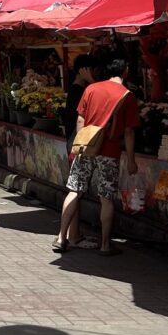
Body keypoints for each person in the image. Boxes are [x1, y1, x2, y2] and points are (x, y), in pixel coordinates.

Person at [55, 58, 140, 256]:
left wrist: (80, 144)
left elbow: (80, 118)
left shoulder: (91, 89)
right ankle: (105, 244)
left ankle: (61, 237)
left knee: (74, 190)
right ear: (126, 71)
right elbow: (128, 131)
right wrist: (131, 159)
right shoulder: (127, 95)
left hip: (86, 148)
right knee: (106, 198)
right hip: (109, 151)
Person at [62, 54, 99, 249]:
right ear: (83, 70)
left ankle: (71, 234)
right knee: (76, 189)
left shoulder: (77, 90)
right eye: (91, 70)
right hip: (77, 143)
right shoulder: (80, 91)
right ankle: (73, 235)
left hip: (73, 142)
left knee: (75, 189)